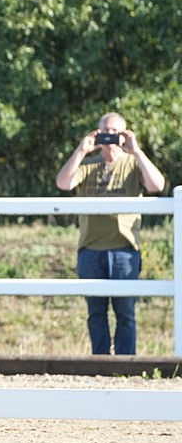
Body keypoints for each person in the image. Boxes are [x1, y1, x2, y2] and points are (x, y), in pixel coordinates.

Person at [55, 112, 167, 355]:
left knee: (125, 313)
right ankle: (100, 362)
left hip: (125, 250)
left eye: (116, 132)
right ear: (96, 133)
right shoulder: (88, 164)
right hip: (90, 250)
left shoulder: (133, 163)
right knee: (96, 313)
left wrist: (136, 150)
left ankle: (125, 365)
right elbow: (63, 184)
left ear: (125, 133)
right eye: (105, 131)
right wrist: (81, 151)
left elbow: (157, 186)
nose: (110, 136)